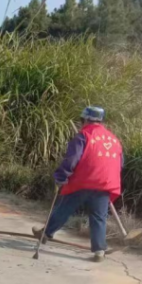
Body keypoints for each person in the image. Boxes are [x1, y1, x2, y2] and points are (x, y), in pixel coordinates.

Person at [33, 106, 122, 263]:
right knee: (99, 217)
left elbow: (72, 158)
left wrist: (61, 176)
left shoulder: (84, 135)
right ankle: (99, 250)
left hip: (84, 181)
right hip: (105, 183)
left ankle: (46, 233)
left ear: (85, 120)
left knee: (65, 208)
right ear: (101, 121)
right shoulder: (113, 139)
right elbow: (120, 163)